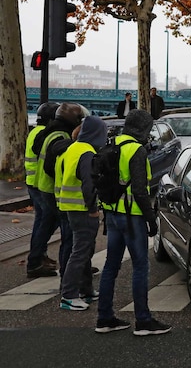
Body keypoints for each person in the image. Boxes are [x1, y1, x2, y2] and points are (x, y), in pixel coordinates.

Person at [96, 109, 171, 336]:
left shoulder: (112, 144)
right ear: (143, 128)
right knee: (140, 266)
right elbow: (139, 191)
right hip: (132, 216)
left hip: (112, 215)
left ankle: (104, 318)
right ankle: (143, 320)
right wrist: (152, 220)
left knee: (111, 266)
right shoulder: (136, 150)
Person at [27, 103, 86, 279]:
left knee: (46, 224)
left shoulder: (45, 132)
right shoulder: (59, 135)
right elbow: (52, 165)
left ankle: (39, 260)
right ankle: (68, 270)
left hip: (40, 185)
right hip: (50, 189)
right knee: (66, 229)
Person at [56, 115, 106, 311]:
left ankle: (86, 289)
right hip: (82, 210)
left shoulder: (74, 148)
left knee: (83, 250)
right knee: (80, 252)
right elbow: (89, 184)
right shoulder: (87, 153)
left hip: (70, 207)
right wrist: (93, 209)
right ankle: (69, 295)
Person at [24, 102, 60, 277]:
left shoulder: (34, 132)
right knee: (49, 222)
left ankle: (39, 256)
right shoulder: (46, 134)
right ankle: (35, 260)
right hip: (41, 185)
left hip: (32, 183)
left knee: (41, 221)